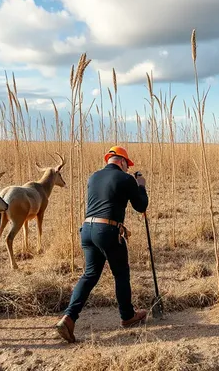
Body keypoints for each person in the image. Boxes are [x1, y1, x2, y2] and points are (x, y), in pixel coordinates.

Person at [56, 146, 149, 343]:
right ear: (122, 162)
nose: (127, 168)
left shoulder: (93, 177)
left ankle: (69, 317)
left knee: (89, 275)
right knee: (121, 273)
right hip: (107, 231)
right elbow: (141, 206)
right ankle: (127, 316)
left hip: (87, 230)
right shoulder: (126, 179)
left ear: (109, 159)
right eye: (127, 165)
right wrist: (140, 185)